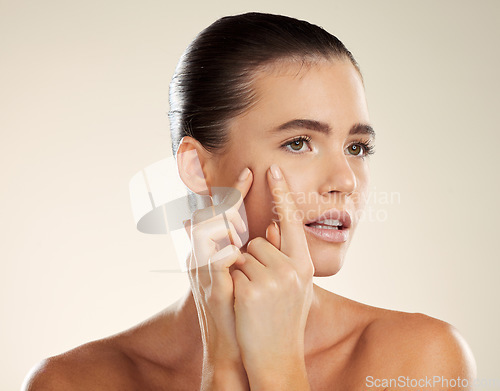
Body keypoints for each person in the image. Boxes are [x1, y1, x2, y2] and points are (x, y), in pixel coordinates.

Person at [23, 12, 476, 391]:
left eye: (356, 147)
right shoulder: (71, 382)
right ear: (199, 169)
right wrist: (222, 364)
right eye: (300, 142)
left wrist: (278, 370)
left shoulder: (421, 360)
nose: (345, 180)